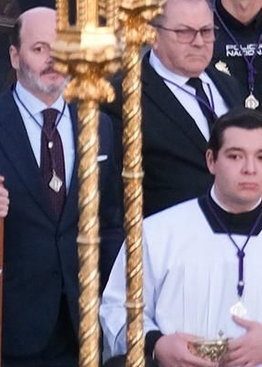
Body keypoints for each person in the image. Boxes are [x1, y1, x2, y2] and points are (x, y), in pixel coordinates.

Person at [0, 5, 123, 367]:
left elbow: (110, 220)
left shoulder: (98, 126)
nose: (53, 60)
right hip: (2, 326)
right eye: (39, 49)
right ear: (15, 56)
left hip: (78, 326)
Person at [102, 110, 262, 359]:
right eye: (235, 156)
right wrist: (156, 345)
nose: (250, 169)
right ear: (211, 160)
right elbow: (117, 309)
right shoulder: (159, 232)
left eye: (261, 157)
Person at [139, 0, 228, 216]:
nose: (198, 42)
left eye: (206, 31)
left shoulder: (228, 84)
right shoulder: (125, 95)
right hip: (171, 240)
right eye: (184, 32)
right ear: (153, 34)